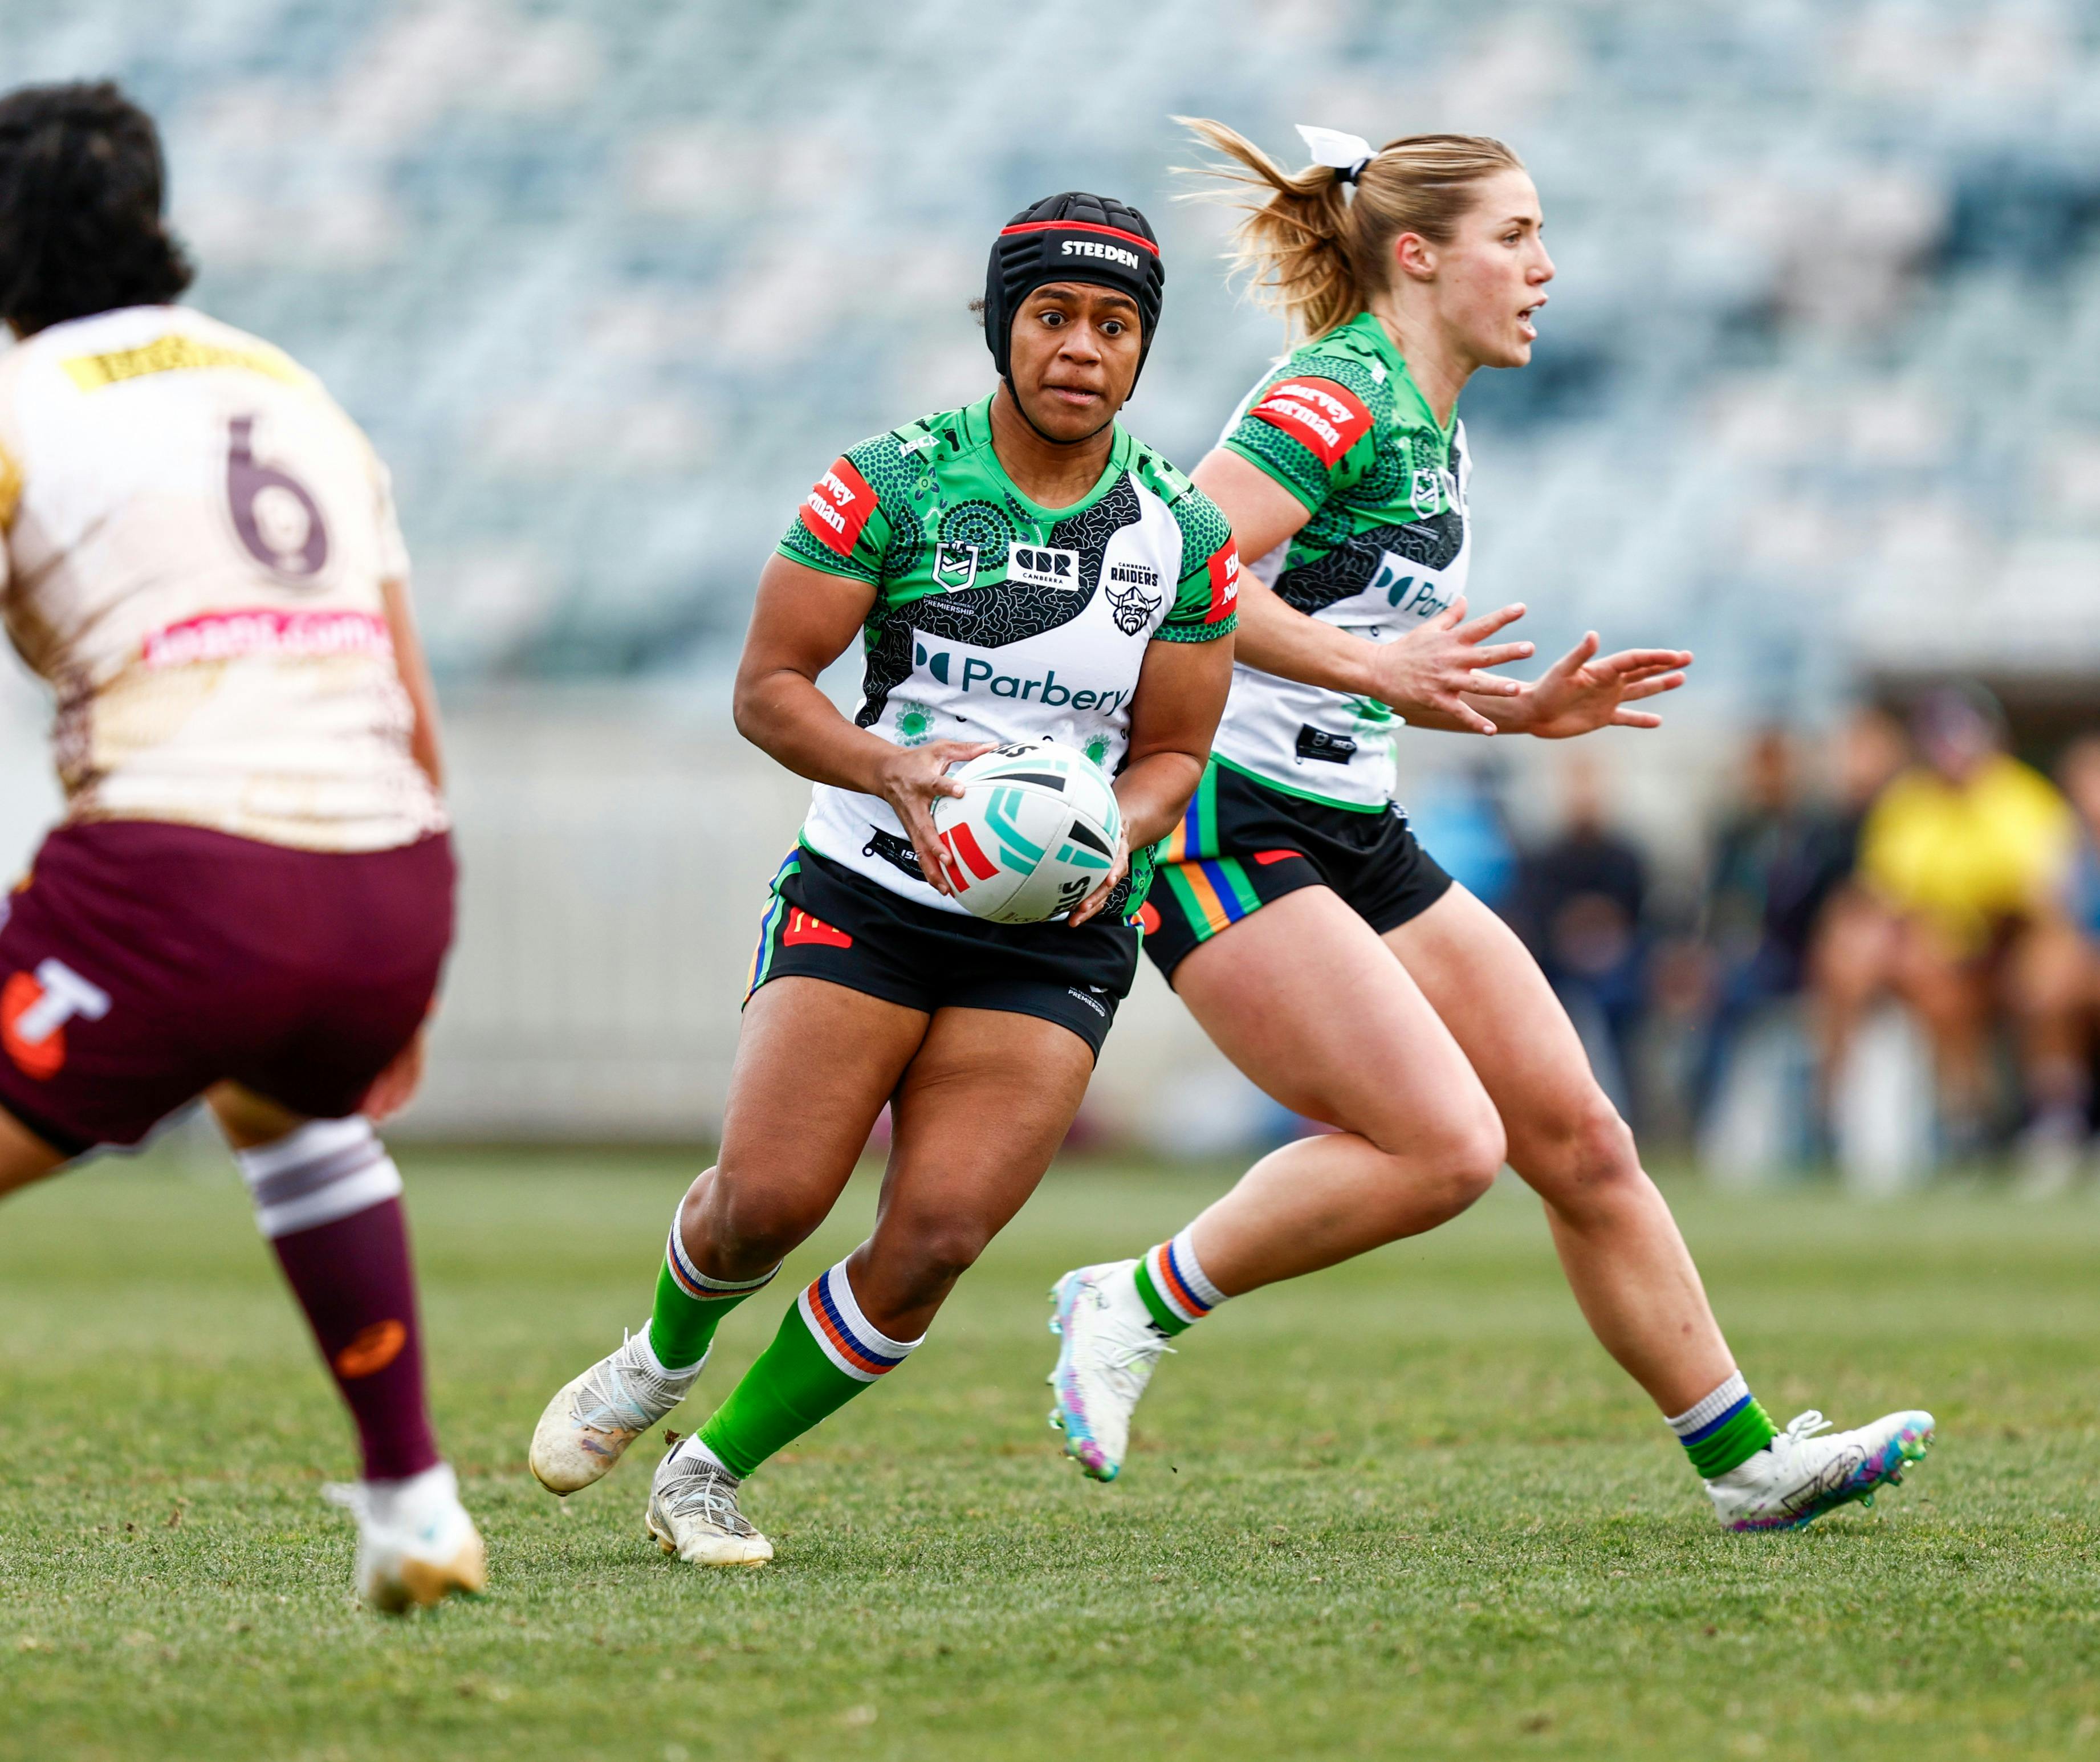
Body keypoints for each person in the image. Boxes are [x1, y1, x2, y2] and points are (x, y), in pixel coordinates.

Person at [1044, 120, 1932, 1532]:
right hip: (1220, 815)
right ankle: (1129, 1299)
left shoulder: (1428, 409)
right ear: (1418, 256)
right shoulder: (1337, 393)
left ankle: (1746, 1462)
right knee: (1443, 1148)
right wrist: (1378, 673)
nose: (1545, 267)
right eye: (1515, 237)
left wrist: (1512, 715)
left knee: (1579, 1135)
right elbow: (1175, 570)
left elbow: (1360, 653)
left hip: (1348, 817)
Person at [528, 193, 1237, 1567]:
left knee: (937, 1233)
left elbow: (1175, 754)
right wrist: (882, 768)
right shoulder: (893, 480)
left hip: (1052, 932)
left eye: (1114, 324)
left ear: (1142, 351)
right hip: (866, 886)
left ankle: (709, 1469)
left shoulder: (1183, 534)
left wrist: (1115, 831)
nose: (1081, 347)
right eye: (1051, 316)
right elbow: (766, 688)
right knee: (770, 1201)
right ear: (1000, 326)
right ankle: (656, 1358)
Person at [0, 83, 478, 1610]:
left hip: (186, 879)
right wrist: (398, 979)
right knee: (299, 1120)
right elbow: (409, 704)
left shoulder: (22, 405)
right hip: (390, 884)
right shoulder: (292, 387)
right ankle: (410, 1505)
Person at [1813, 686, 2075, 1165]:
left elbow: (2041, 904)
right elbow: (1885, 898)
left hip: (2011, 948)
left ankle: (2053, 1116)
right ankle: (1962, 1119)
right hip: (1945, 956)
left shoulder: (2026, 799)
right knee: (1919, 974)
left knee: (2047, 974)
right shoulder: (1907, 804)